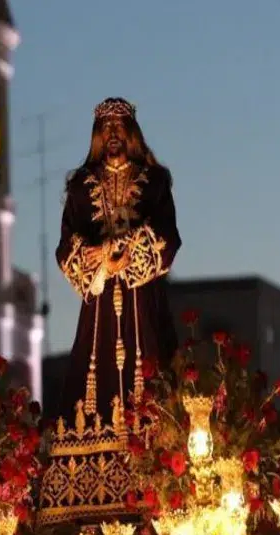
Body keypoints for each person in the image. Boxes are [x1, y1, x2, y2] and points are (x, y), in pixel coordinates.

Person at [55, 97, 182, 428]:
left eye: (119, 125)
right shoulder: (81, 186)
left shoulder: (154, 182)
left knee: (153, 369)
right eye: (106, 126)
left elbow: (168, 236)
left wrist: (120, 249)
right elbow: (66, 246)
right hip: (99, 306)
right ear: (97, 134)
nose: (112, 133)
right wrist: (101, 263)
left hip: (143, 299)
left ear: (131, 132)